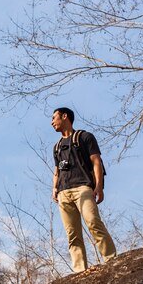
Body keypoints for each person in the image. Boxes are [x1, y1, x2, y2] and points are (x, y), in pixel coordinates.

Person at [51, 107, 116, 272]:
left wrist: (99, 187)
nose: (52, 122)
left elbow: (96, 162)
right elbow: (57, 170)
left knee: (93, 223)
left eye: (54, 118)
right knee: (72, 235)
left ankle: (111, 260)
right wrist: (54, 188)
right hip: (64, 192)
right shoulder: (57, 146)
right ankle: (80, 271)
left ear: (64, 116)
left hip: (83, 188)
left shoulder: (85, 137)